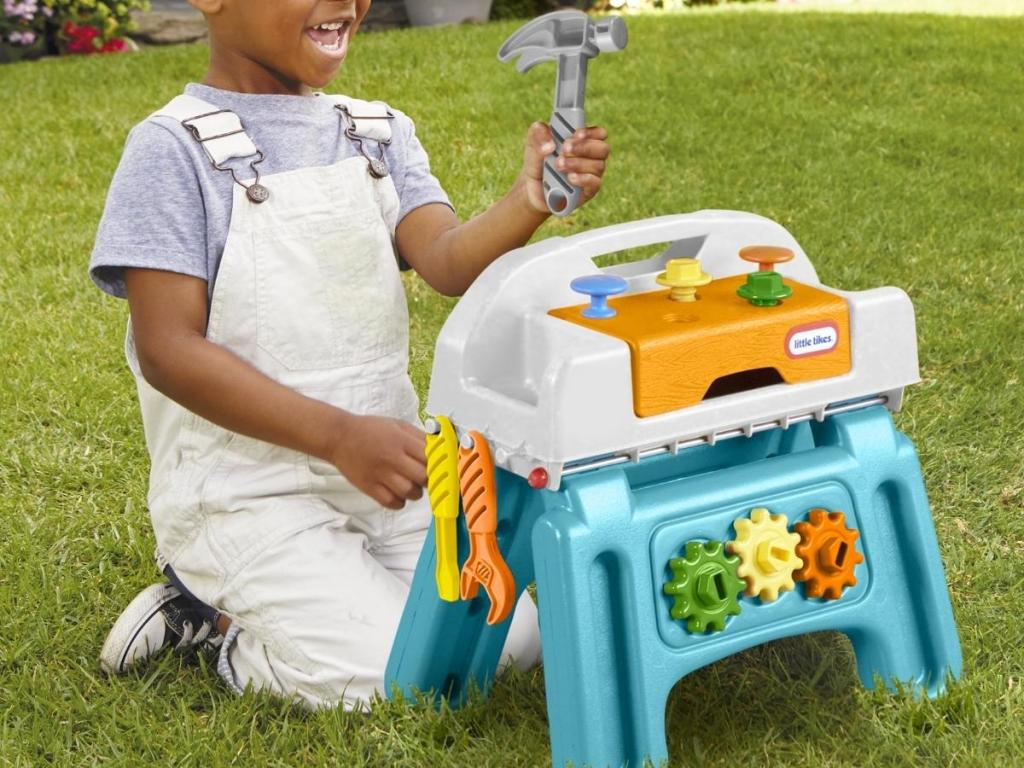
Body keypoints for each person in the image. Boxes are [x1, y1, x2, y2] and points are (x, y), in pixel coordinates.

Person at [89, 0, 611, 709]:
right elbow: (168, 351)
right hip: (246, 495)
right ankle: (211, 622)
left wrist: (528, 198)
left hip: (382, 479)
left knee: (514, 644)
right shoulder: (171, 149)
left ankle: (300, 598)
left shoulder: (375, 133)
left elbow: (446, 262)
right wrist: (337, 436)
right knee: (394, 679)